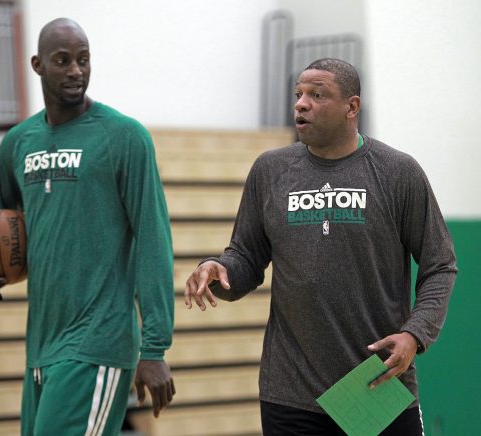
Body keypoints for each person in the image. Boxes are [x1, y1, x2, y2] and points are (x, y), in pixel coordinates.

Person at [185, 58, 457, 435]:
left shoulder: (398, 172)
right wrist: (219, 270)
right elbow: (246, 257)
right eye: (298, 94)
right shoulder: (270, 170)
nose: (301, 103)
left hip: (374, 386)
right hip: (291, 393)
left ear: (352, 107)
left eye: (317, 94)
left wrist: (415, 334)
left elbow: (440, 265)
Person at [0, 18, 175, 436]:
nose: (76, 71)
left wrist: (155, 346)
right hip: (40, 347)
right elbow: (0, 220)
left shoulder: (124, 137)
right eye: (63, 60)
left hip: (97, 343)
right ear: (38, 65)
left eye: (84, 60)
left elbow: (153, 240)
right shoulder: (18, 142)